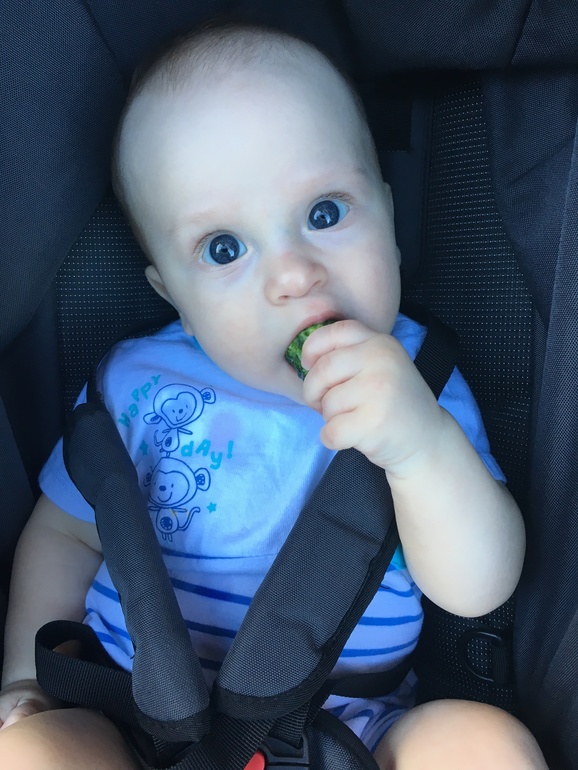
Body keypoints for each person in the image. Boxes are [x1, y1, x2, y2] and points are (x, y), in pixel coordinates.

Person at [0, 20, 548, 770]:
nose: (293, 275)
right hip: (130, 714)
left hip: (349, 724)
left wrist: (420, 448)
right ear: (173, 294)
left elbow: (478, 590)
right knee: (30, 753)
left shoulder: (417, 385)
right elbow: (64, 536)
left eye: (326, 213)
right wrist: (26, 681)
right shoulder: (136, 387)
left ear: (390, 220)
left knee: (485, 745)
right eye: (225, 248)